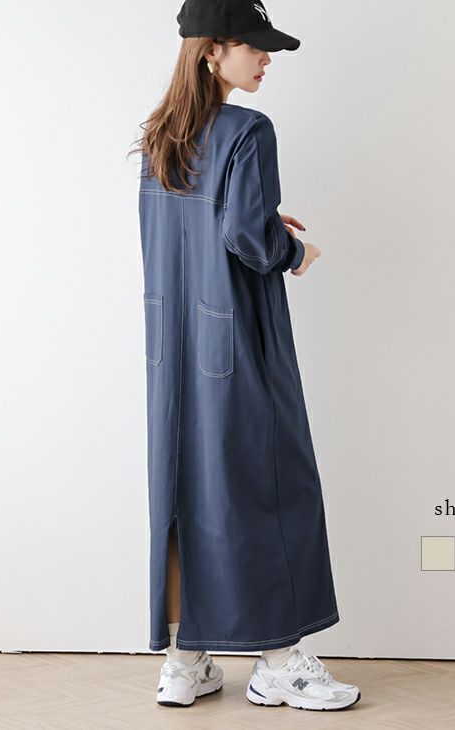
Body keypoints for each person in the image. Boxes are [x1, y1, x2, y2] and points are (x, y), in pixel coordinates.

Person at [129, 0, 361, 713]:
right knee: (270, 483)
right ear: (211, 51)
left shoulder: (160, 137)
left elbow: (199, 228)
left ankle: (184, 660)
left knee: (184, 489)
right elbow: (248, 241)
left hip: (172, 350)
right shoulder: (248, 130)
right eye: (253, 46)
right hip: (236, 342)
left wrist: (258, 218)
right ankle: (279, 661)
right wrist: (293, 248)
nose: (265, 59)